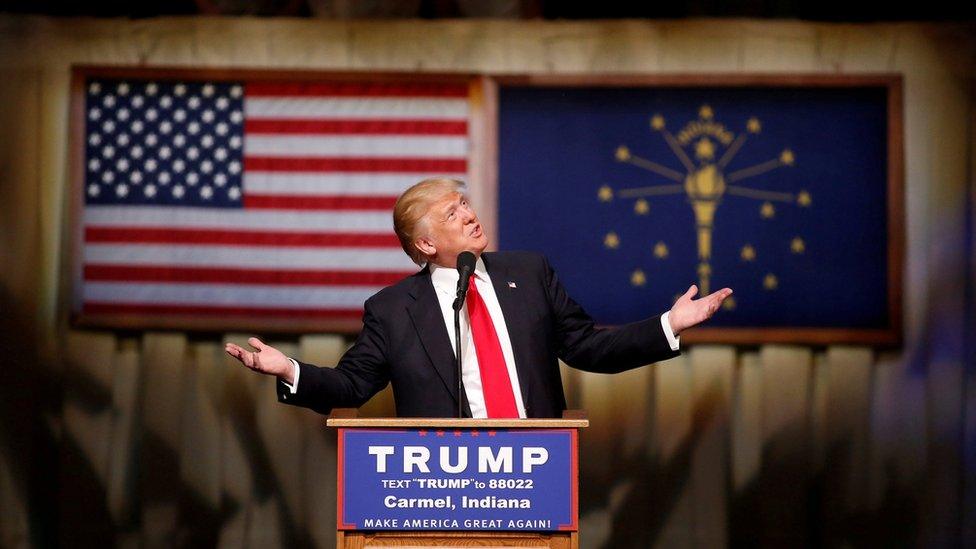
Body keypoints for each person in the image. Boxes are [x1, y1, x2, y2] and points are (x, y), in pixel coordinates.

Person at [225, 178, 732, 418]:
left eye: (464, 203)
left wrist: (668, 323)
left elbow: (585, 348)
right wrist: (289, 369)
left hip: (533, 472)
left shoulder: (528, 273)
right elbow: (353, 384)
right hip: (443, 490)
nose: (468, 215)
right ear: (425, 245)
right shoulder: (393, 309)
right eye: (451, 214)